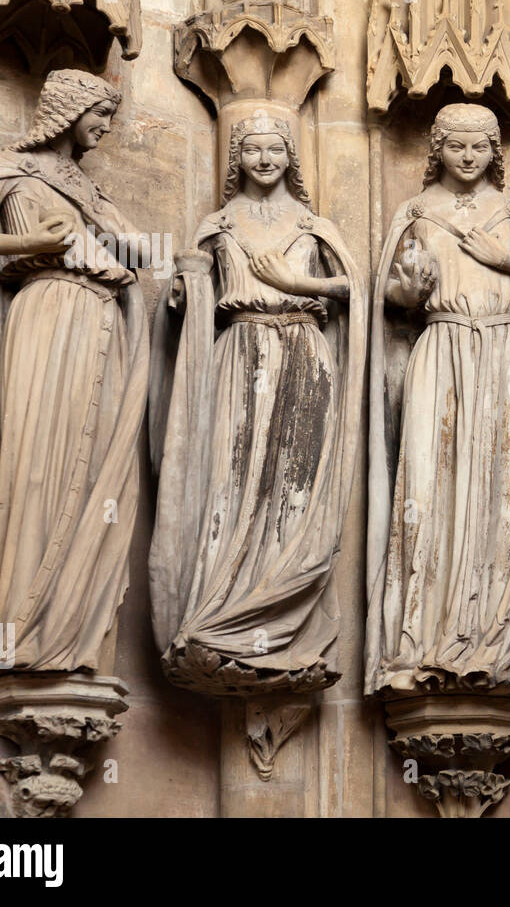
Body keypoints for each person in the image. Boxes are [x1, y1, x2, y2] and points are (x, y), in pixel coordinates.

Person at [148, 114, 368, 694]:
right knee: (229, 480)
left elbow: (355, 290)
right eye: (252, 150)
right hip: (239, 351)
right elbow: (188, 299)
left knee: (294, 487)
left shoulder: (313, 225)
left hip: (303, 349)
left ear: (290, 156)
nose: (264, 159)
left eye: (275, 149)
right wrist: (183, 290)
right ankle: (224, 609)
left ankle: (283, 613)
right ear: (236, 158)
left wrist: (303, 288)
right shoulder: (216, 225)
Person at [365, 103, 510, 697]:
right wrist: (411, 286)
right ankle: (424, 637)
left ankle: (497, 638)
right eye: (456, 146)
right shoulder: (416, 212)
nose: (468, 156)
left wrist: (502, 258)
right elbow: (393, 292)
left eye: (480, 146)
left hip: (508, 349)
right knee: (429, 484)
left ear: (495, 153)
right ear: (438, 151)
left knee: (506, 484)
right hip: (442, 345)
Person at [0, 69, 151, 673]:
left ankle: (76, 626)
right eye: (99, 114)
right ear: (69, 111)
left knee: (94, 467)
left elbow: (140, 250)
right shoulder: (12, 168)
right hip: (45, 310)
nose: (106, 127)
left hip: (101, 316)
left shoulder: (89, 187)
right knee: (39, 457)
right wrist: (27, 243)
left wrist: (120, 237)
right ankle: (26, 622)